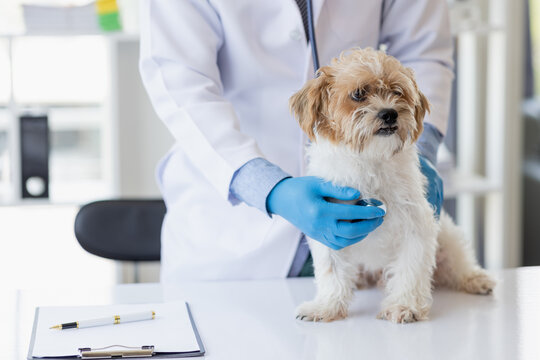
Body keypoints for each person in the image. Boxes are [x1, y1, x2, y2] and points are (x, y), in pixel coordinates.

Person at [139, 0, 454, 281]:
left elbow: (424, 52)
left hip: (368, 231)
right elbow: (180, 81)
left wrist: (420, 148)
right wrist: (265, 186)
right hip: (231, 238)